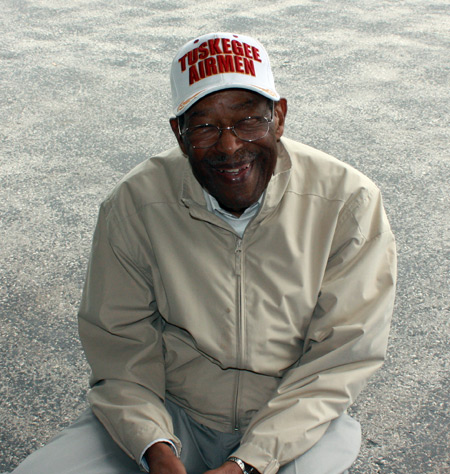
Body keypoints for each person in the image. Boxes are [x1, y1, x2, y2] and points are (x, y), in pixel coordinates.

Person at [11, 32, 396, 474]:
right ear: (179, 134)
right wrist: (154, 447)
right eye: (205, 126)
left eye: (249, 120)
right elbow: (120, 351)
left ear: (280, 117)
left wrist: (250, 462)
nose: (230, 147)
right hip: (172, 410)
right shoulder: (135, 204)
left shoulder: (349, 202)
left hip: (294, 417)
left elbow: (339, 359)